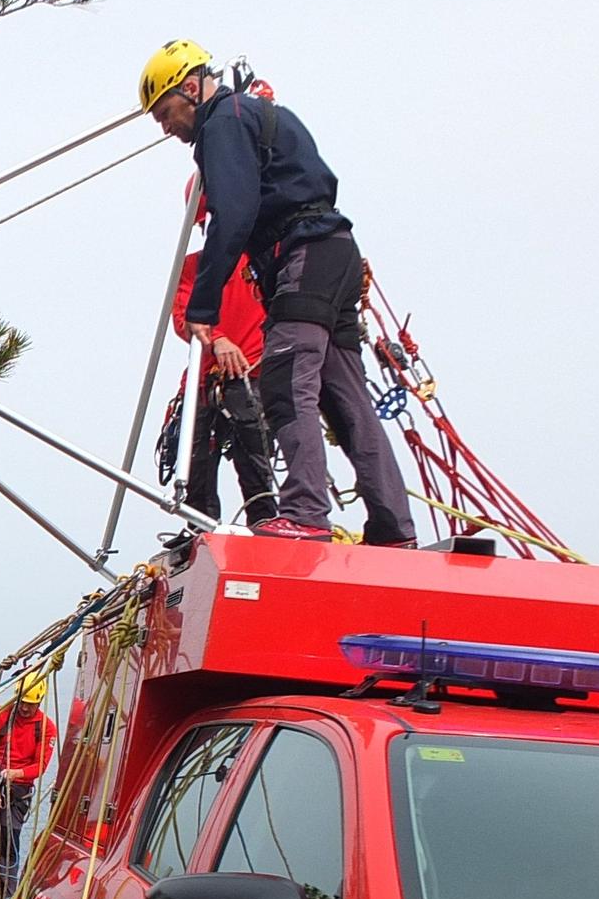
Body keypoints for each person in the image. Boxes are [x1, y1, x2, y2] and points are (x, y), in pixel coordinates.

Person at [141, 39, 415, 547]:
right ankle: (393, 528)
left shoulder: (222, 122)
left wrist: (204, 304)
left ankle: (307, 515)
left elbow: (236, 215)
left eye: (166, 111)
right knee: (344, 397)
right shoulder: (258, 114)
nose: (164, 126)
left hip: (304, 254)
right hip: (333, 252)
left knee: (287, 382)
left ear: (191, 88)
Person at [168, 184, 277, 525]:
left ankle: (265, 528)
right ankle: (200, 530)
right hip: (205, 380)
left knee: (256, 464)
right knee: (196, 466)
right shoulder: (192, 268)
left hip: (252, 376)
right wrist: (217, 339)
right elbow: (183, 317)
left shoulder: (265, 260)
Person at [0, 670, 59, 896]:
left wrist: (15, 773)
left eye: (30, 704)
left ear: (39, 701)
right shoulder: (1, 716)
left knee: (10, 834)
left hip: (19, 785)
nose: (24, 708)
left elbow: (39, 766)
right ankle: (5, 891)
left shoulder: (45, 727)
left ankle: (8, 893)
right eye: (22, 702)